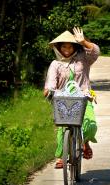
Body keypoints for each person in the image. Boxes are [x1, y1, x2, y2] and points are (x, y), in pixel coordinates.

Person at [44, 27, 100, 169]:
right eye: (64, 46)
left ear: (74, 47)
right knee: (63, 128)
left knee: (90, 126)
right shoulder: (55, 64)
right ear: (59, 47)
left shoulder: (83, 59)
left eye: (70, 46)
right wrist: (48, 91)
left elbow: (95, 52)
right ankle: (62, 156)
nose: (67, 49)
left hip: (83, 98)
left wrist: (84, 42)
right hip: (63, 100)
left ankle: (85, 142)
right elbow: (50, 83)